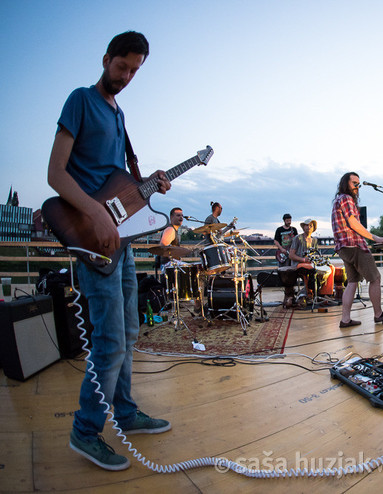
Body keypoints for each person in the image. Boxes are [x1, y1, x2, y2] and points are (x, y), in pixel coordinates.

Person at [47, 31, 171, 471]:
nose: (128, 76)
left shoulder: (121, 117)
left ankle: (126, 412)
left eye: (136, 70)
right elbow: (56, 174)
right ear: (106, 59)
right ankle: (84, 432)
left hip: (121, 241)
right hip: (94, 237)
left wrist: (150, 180)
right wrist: (95, 214)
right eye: (123, 67)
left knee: (130, 333)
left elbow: (117, 181)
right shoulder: (80, 100)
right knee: (109, 340)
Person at [331, 172, 383, 328]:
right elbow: (353, 223)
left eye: (358, 184)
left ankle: (345, 320)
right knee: (375, 279)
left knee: (352, 282)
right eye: (354, 183)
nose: (357, 186)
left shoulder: (337, 200)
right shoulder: (346, 199)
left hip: (343, 248)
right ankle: (378, 314)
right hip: (354, 245)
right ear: (345, 184)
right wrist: (376, 238)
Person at [154, 207, 183, 276]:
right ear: (171, 217)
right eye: (178, 215)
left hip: (173, 265)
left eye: (182, 215)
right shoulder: (170, 229)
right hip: (169, 266)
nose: (181, 217)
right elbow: (162, 245)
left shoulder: (173, 230)